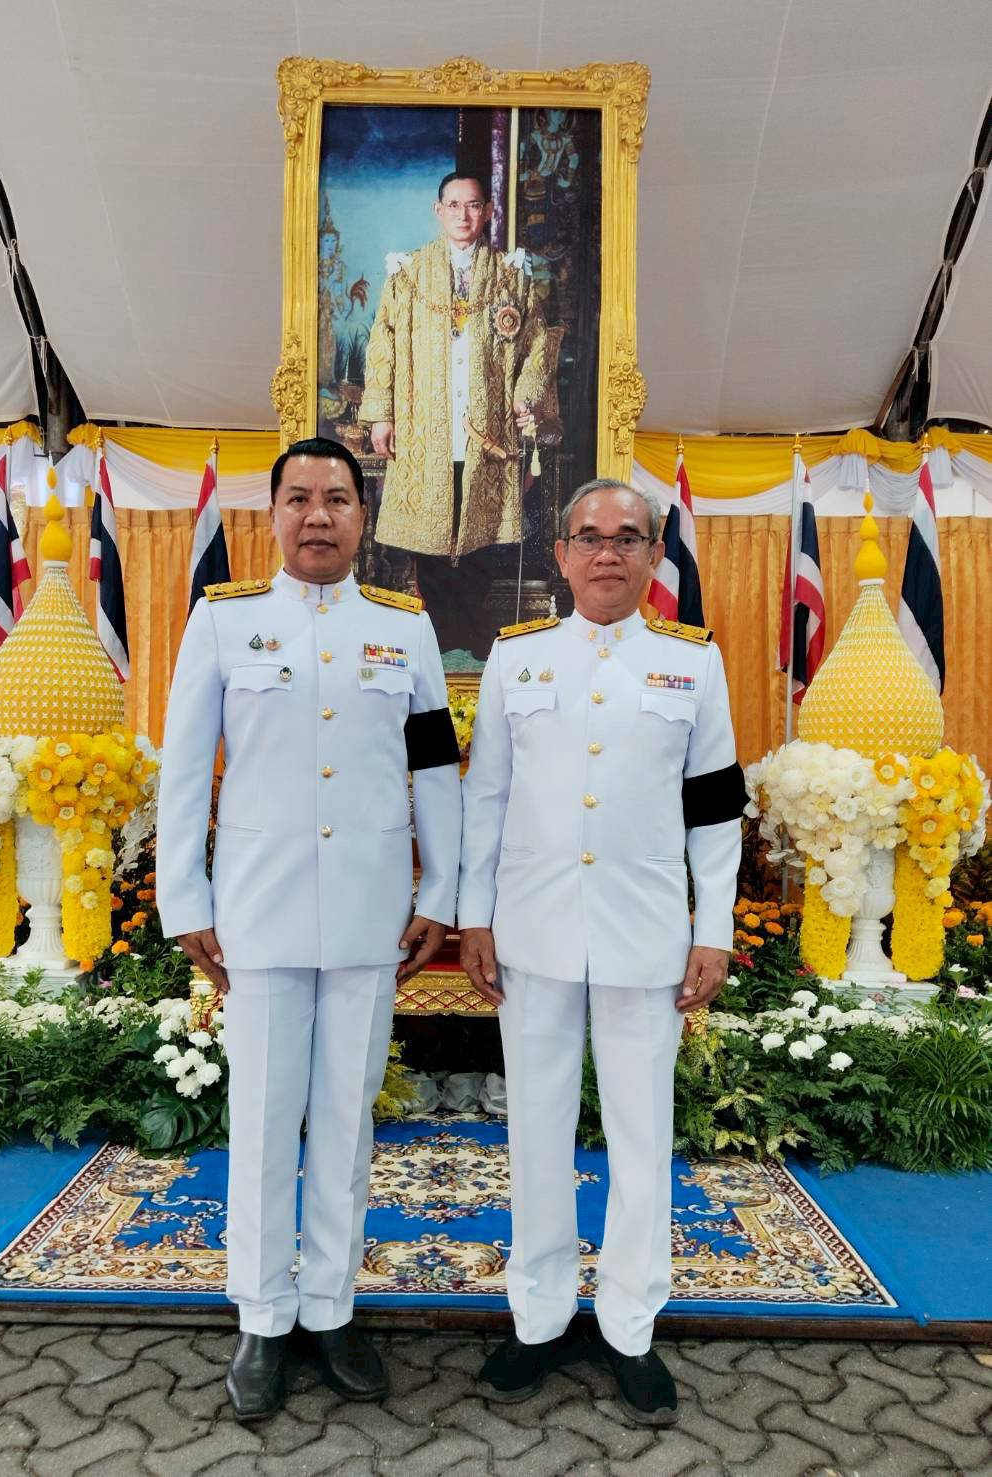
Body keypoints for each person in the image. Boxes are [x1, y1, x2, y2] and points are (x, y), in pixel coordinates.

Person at [156, 436, 463, 1423]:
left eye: (336, 498)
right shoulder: (223, 621)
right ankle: (261, 1315)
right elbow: (182, 768)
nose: (318, 515)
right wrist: (186, 901)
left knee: (345, 1114)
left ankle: (332, 1306)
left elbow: (431, 767)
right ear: (273, 514)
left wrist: (440, 888)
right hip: (259, 909)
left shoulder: (404, 630)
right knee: (261, 1119)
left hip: (371, 911)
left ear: (363, 517)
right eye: (299, 498)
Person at [458, 478, 745, 1423]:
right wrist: (476, 915)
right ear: (563, 555)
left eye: (628, 536)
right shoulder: (518, 657)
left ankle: (630, 1325)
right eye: (591, 537)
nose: (609, 553)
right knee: (535, 1129)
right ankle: (538, 1316)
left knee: (639, 1136)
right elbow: (487, 796)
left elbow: (713, 811)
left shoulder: (692, 664)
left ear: (655, 553)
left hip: (644, 932)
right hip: (533, 930)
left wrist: (713, 927)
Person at [359, 171, 551, 656]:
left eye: (473, 206)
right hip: (427, 429)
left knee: (480, 537)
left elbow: (539, 345)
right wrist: (382, 414)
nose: (463, 215)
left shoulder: (511, 275)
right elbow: (382, 346)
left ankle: (475, 643)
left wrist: (525, 398)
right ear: (438, 210)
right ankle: (439, 641)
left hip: (486, 431)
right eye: (453, 205)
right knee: (432, 539)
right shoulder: (408, 273)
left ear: (486, 211)